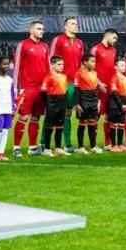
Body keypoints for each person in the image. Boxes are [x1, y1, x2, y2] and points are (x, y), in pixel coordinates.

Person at [13, 21, 50, 157]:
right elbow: (17, 67)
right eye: (39, 28)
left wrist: (48, 86)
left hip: (41, 89)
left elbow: (48, 68)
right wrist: (16, 89)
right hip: (27, 88)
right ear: (31, 30)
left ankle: (32, 147)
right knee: (24, 116)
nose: (41, 31)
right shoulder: (23, 45)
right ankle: (16, 147)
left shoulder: (45, 46)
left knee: (36, 117)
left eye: (42, 29)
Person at [48, 17, 84, 152]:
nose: (75, 26)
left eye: (76, 23)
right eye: (72, 24)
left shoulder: (80, 42)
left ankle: (67, 144)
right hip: (59, 82)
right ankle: (42, 143)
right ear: (65, 26)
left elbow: (80, 64)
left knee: (68, 113)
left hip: (72, 84)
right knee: (53, 113)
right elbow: (51, 60)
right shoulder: (58, 40)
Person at [90, 28, 118, 149]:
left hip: (110, 89)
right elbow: (89, 68)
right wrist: (98, 83)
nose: (115, 41)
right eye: (114, 38)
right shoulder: (95, 49)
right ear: (107, 36)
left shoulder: (113, 50)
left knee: (109, 115)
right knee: (96, 115)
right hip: (98, 88)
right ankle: (93, 144)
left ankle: (108, 143)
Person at [40, 56, 70, 157]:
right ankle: (47, 149)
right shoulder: (49, 77)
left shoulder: (64, 77)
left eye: (62, 64)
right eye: (59, 64)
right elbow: (43, 92)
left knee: (60, 127)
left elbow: (65, 91)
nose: (62, 66)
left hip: (61, 104)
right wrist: (49, 104)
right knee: (49, 127)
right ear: (52, 65)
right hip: (52, 104)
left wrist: (64, 104)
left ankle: (58, 148)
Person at [74, 53, 101, 154]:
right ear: (85, 62)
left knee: (92, 124)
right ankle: (81, 147)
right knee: (82, 124)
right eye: (92, 61)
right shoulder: (79, 73)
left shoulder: (94, 73)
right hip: (83, 101)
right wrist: (77, 104)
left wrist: (97, 101)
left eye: (95, 61)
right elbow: (76, 90)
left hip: (93, 100)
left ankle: (93, 146)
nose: (94, 63)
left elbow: (95, 89)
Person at [108, 58, 126, 152]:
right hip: (115, 105)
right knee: (114, 124)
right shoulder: (114, 78)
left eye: (124, 65)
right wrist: (121, 104)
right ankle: (113, 145)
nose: (124, 67)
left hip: (123, 104)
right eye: (121, 65)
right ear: (116, 67)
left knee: (121, 124)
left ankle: (120, 144)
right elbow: (114, 93)